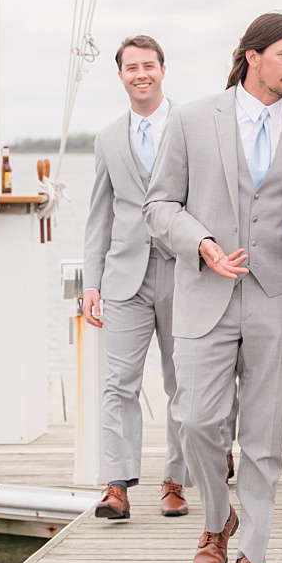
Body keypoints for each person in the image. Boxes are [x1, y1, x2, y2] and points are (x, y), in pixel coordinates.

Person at [144, 13, 282, 563]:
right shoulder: (191, 120)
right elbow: (159, 206)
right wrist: (202, 243)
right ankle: (217, 520)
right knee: (197, 423)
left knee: (263, 438)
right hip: (206, 296)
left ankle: (253, 555)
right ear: (251, 56)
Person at [85, 35, 189, 521]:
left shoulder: (190, 126)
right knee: (117, 384)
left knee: (183, 382)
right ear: (121, 75)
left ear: (163, 70)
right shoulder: (107, 138)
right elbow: (98, 217)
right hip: (123, 277)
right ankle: (116, 485)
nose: (141, 74)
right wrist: (91, 284)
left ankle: (175, 481)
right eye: (132, 67)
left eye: (149, 65)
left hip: (183, 273)